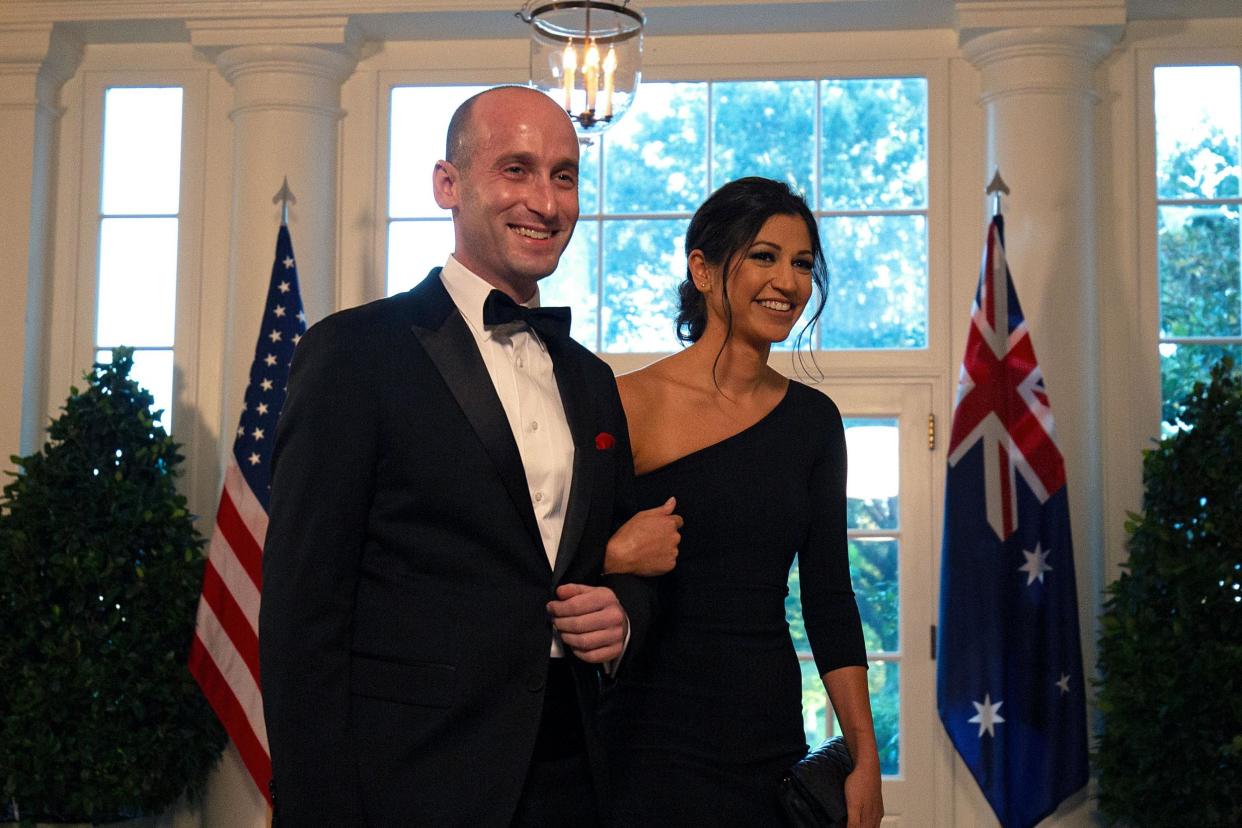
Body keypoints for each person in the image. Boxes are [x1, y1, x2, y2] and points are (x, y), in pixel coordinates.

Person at [259, 85, 681, 827]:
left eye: (564, 175)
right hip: (409, 781)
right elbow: (303, 611)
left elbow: (615, 558)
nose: (546, 202)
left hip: (574, 779)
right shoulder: (355, 353)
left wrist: (625, 612)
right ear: (447, 186)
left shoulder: (588, 379)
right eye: (516, 169)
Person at [600, 177, 885, 827]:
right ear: (702, 269)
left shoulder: (813, 420)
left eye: (803, 262)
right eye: (764, 255)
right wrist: (610, 551)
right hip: (646, 739)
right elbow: (560, 560)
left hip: (768, 741)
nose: (788, 280)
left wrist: (864, 757)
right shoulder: (626, 402)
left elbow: (830, 598)